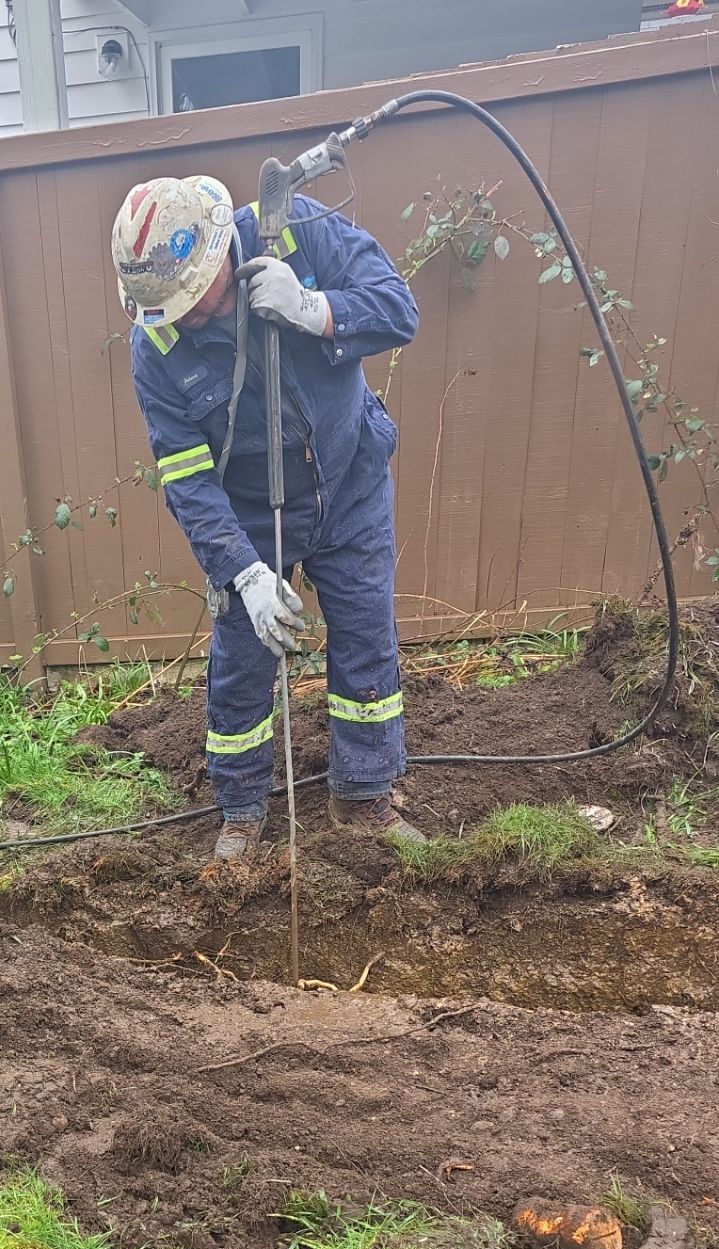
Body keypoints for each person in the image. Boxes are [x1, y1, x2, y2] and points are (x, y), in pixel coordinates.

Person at [111, 174, 421, 860]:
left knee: (367, 633)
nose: (189, 317)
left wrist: (316, 308)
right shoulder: (156, 348)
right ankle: (243, 807)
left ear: (223, 248)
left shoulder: (298, 233)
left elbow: (399, 310)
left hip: (350, 480)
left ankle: (363, 796)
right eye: (173, 307)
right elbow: (186, 477)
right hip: (248, 511)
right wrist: (243, 573)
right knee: (243, 659)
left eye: (197, 299)